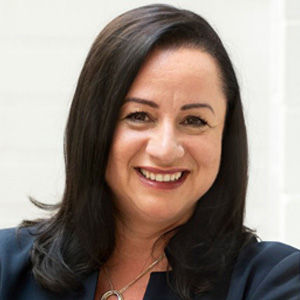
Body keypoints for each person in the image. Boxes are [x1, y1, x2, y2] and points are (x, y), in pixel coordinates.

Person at [0, 4, 299, 300]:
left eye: (194, 121)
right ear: (94, 127)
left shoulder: (274, 280)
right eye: (139, 116)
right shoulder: (5, 266)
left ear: (225, 137)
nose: (166, 149)